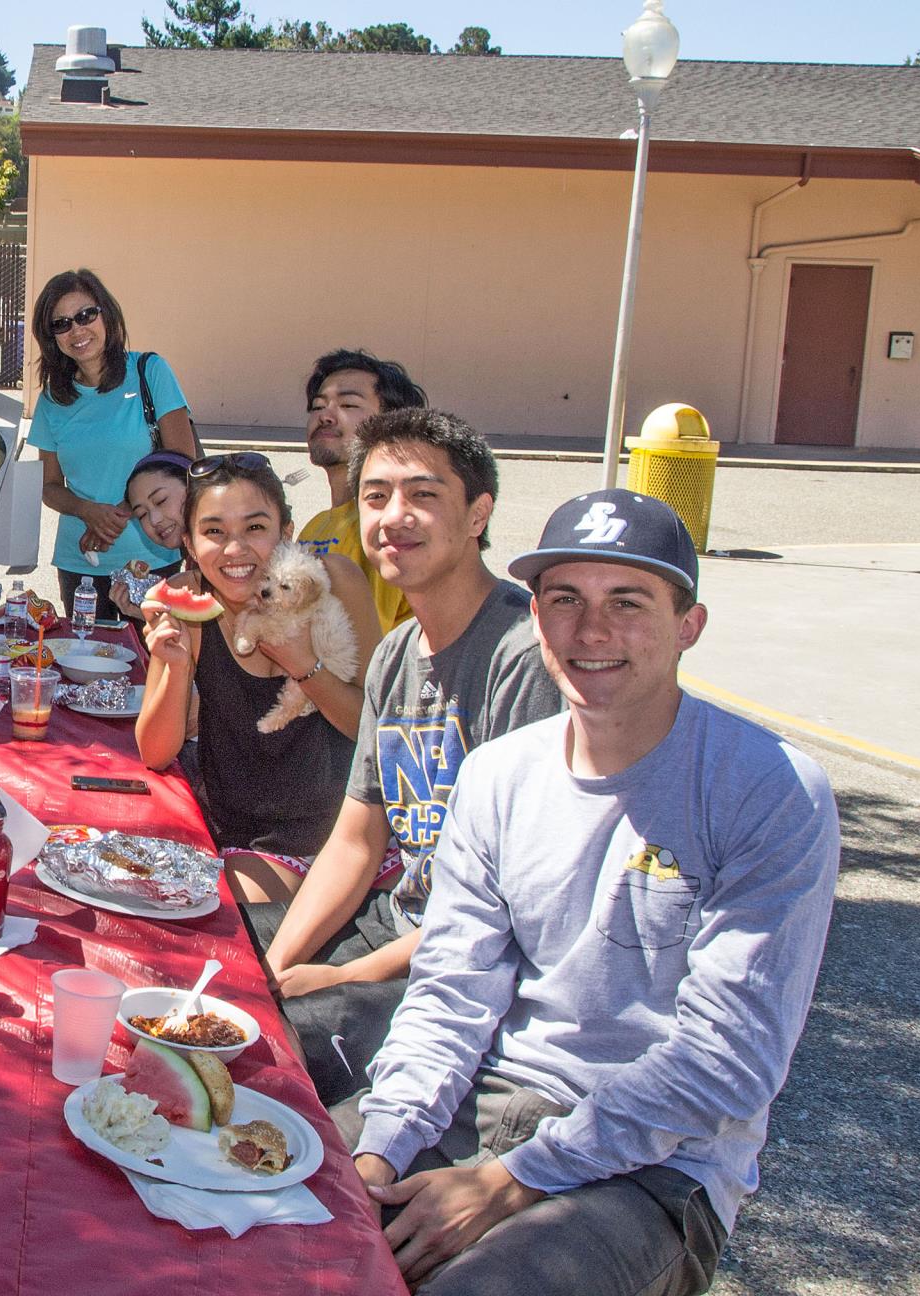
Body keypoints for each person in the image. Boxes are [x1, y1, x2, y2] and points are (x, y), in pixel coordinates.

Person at [334, 489, 839, 1296]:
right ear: (536, 619)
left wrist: (510, 1182)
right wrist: (378, 1152)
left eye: (627, 603)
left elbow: (726, 1063)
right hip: (482, 1096)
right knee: (284, 1208)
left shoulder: (768, 789)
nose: (590, 631)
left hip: (656, 1169)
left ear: (689, 627)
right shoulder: (500, 775)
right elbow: (452, 993)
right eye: (564, 600)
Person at [256, 408, 564, 1102]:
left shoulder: (524, 659)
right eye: (376, 496)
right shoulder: (397, 653)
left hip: (469, 969)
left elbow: (503, 908)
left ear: (478, 512)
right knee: (215, 953)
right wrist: (271, 966)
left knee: (271, 1059)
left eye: (423, 495)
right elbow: (358, 841)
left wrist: (338, 980)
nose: (395, 516)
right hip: (395, 918)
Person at [137, 453, 378, 903]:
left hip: (344, 836)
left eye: (255, 528)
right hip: (250, 839)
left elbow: (375, 732)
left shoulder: (337, 582)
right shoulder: (187, 602)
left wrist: (304, 664)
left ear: (286, 531)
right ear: (189, 543)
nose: (234, 550)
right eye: (214, 532)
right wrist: (174, 664)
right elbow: (155, 752)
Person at [29, 268, 198, 620]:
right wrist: (88, 512)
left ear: (106, 314)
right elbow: (48, 487)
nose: (77, 330)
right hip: (80, 565)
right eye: (61, 324)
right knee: (86, 669)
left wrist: (119, 514)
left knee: (156, 665)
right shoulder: (51, 400)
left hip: (152, 556)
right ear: (52, 338)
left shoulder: (150, 371)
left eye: (85, 315)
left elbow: (182, 460)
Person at [299, 349, 428, 633]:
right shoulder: (315, 527)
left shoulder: (392, 528)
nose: (326, 416)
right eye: (318, 406)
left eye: (348, 405)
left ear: (392, 422)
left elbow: (365, 650)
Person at [108, 450, 190, 621]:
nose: (154, 519)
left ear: (194, 487)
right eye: (142, 515)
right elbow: (194, 627)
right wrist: (136, 611)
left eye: (160, 500)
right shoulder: (194, 560)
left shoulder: (223, 555)